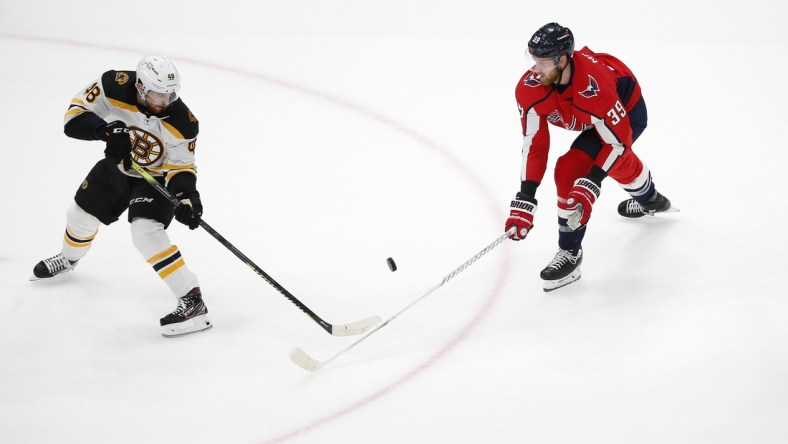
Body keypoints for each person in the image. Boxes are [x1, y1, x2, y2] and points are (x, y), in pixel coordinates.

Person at [31, 55, 212, 337]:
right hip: (118, 167)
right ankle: (68, 260)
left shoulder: (183, 122)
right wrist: (104, 131)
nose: (164, 101)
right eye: (157, 93)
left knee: (145, 233)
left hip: (155, 179)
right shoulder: (112, 85)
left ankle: (193, 301)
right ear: (139, 86)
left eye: (170, 94)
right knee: (78, 216)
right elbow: (73, 118)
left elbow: (182, 166)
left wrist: (188, 196)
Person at [504, 23, 673, 292]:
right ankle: (571, 251)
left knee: (609, 165)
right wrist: (526, 195)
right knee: (569, 171)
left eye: (543, 62)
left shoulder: (596, 88)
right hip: (592, 117)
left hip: (626, 111)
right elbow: (534, 144)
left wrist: (592, 181)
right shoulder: (529, 88)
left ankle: (649, 199)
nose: (535, 69)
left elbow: (617, 143)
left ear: (562, 60)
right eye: (533, 60)